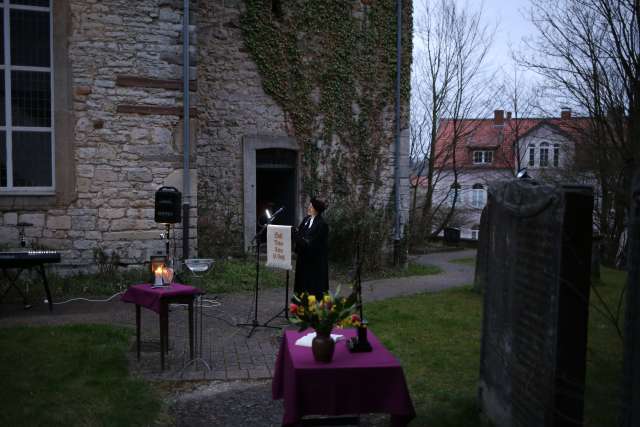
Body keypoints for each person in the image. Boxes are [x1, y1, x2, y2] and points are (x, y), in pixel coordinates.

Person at [293, 197, 329, 299]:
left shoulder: (322, 224)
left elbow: (317, 243)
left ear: (316, 209)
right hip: (303, 259)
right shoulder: (306, 220)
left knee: (312, 286)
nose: (308, 208)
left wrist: (305, 242)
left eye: (311, 206)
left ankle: (313, 305)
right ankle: (301, 301)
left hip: (314, 262)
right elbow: (299, 233)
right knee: (302, 283)